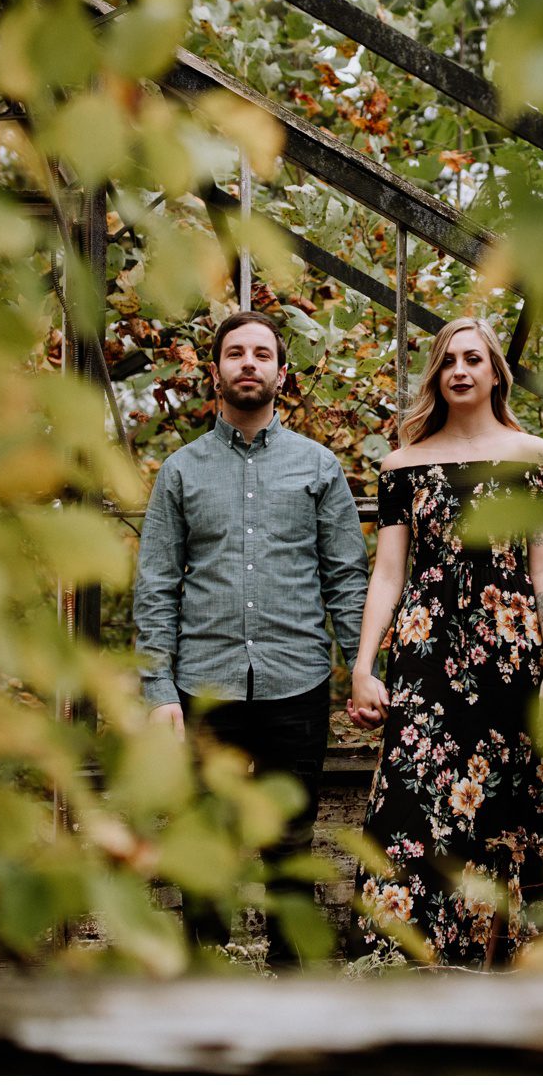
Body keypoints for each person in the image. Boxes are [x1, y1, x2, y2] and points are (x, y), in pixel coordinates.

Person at [132, 309, 369, 967]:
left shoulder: (318, 466)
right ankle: (205, 986)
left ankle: (290, 992)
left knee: (290, 847)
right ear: (215, 371)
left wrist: (362, 670)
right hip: (204, 687)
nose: (248, 363)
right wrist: (158, 689)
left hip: (298, 681)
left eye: (262, 354)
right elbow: (155, 587)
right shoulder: (181, 472)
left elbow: (346, 579)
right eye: (236, 353)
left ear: (281, 373)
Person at [347, 316, 543, 967]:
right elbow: (388, 573)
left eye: (473, 358)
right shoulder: (401, 465)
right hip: (425, 660)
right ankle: (404, 963)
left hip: (513, 657)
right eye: (448, 360)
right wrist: (363, 667)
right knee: (409, 804)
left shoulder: (531, 456)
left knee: (514, 807)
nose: (460, 370)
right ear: (436, 375)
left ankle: (521, 964)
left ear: (496, 373)